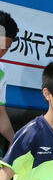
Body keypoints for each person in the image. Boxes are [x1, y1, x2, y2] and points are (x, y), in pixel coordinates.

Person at [0, 11, 17, 145]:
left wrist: (16, 142)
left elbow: (0, 115)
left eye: (6, 48)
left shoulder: (2, 70)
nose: (1, 51)